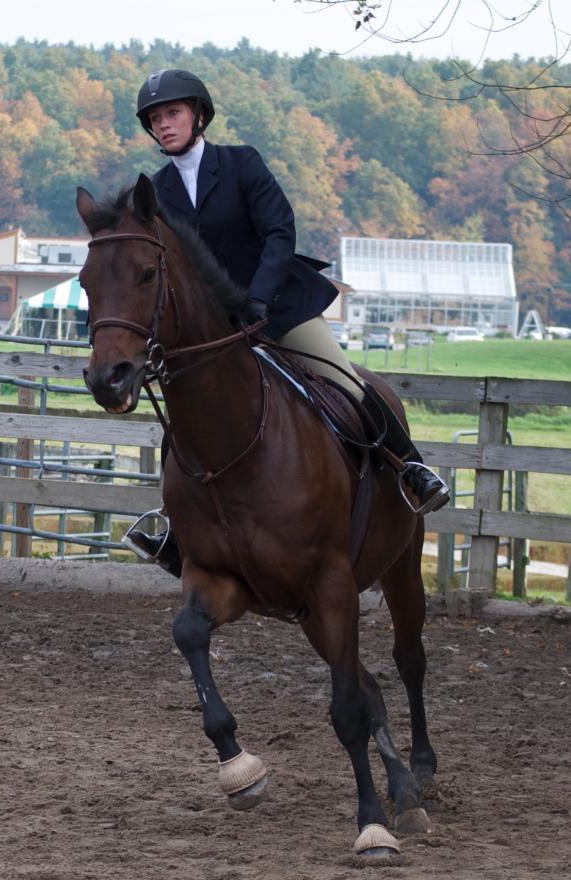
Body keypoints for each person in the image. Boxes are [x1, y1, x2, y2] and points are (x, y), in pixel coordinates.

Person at [125, 68, 449, 574]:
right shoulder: (157, 192)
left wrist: (259, 298)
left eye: (172, 113)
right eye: (155, 119)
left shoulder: (240, 164)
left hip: (277, 305)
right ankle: (172, 525)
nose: (163, 124)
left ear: (198, 115)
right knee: (186, 419)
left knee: (346, 383)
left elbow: (279, 231)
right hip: (215, 331)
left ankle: (411, 469)